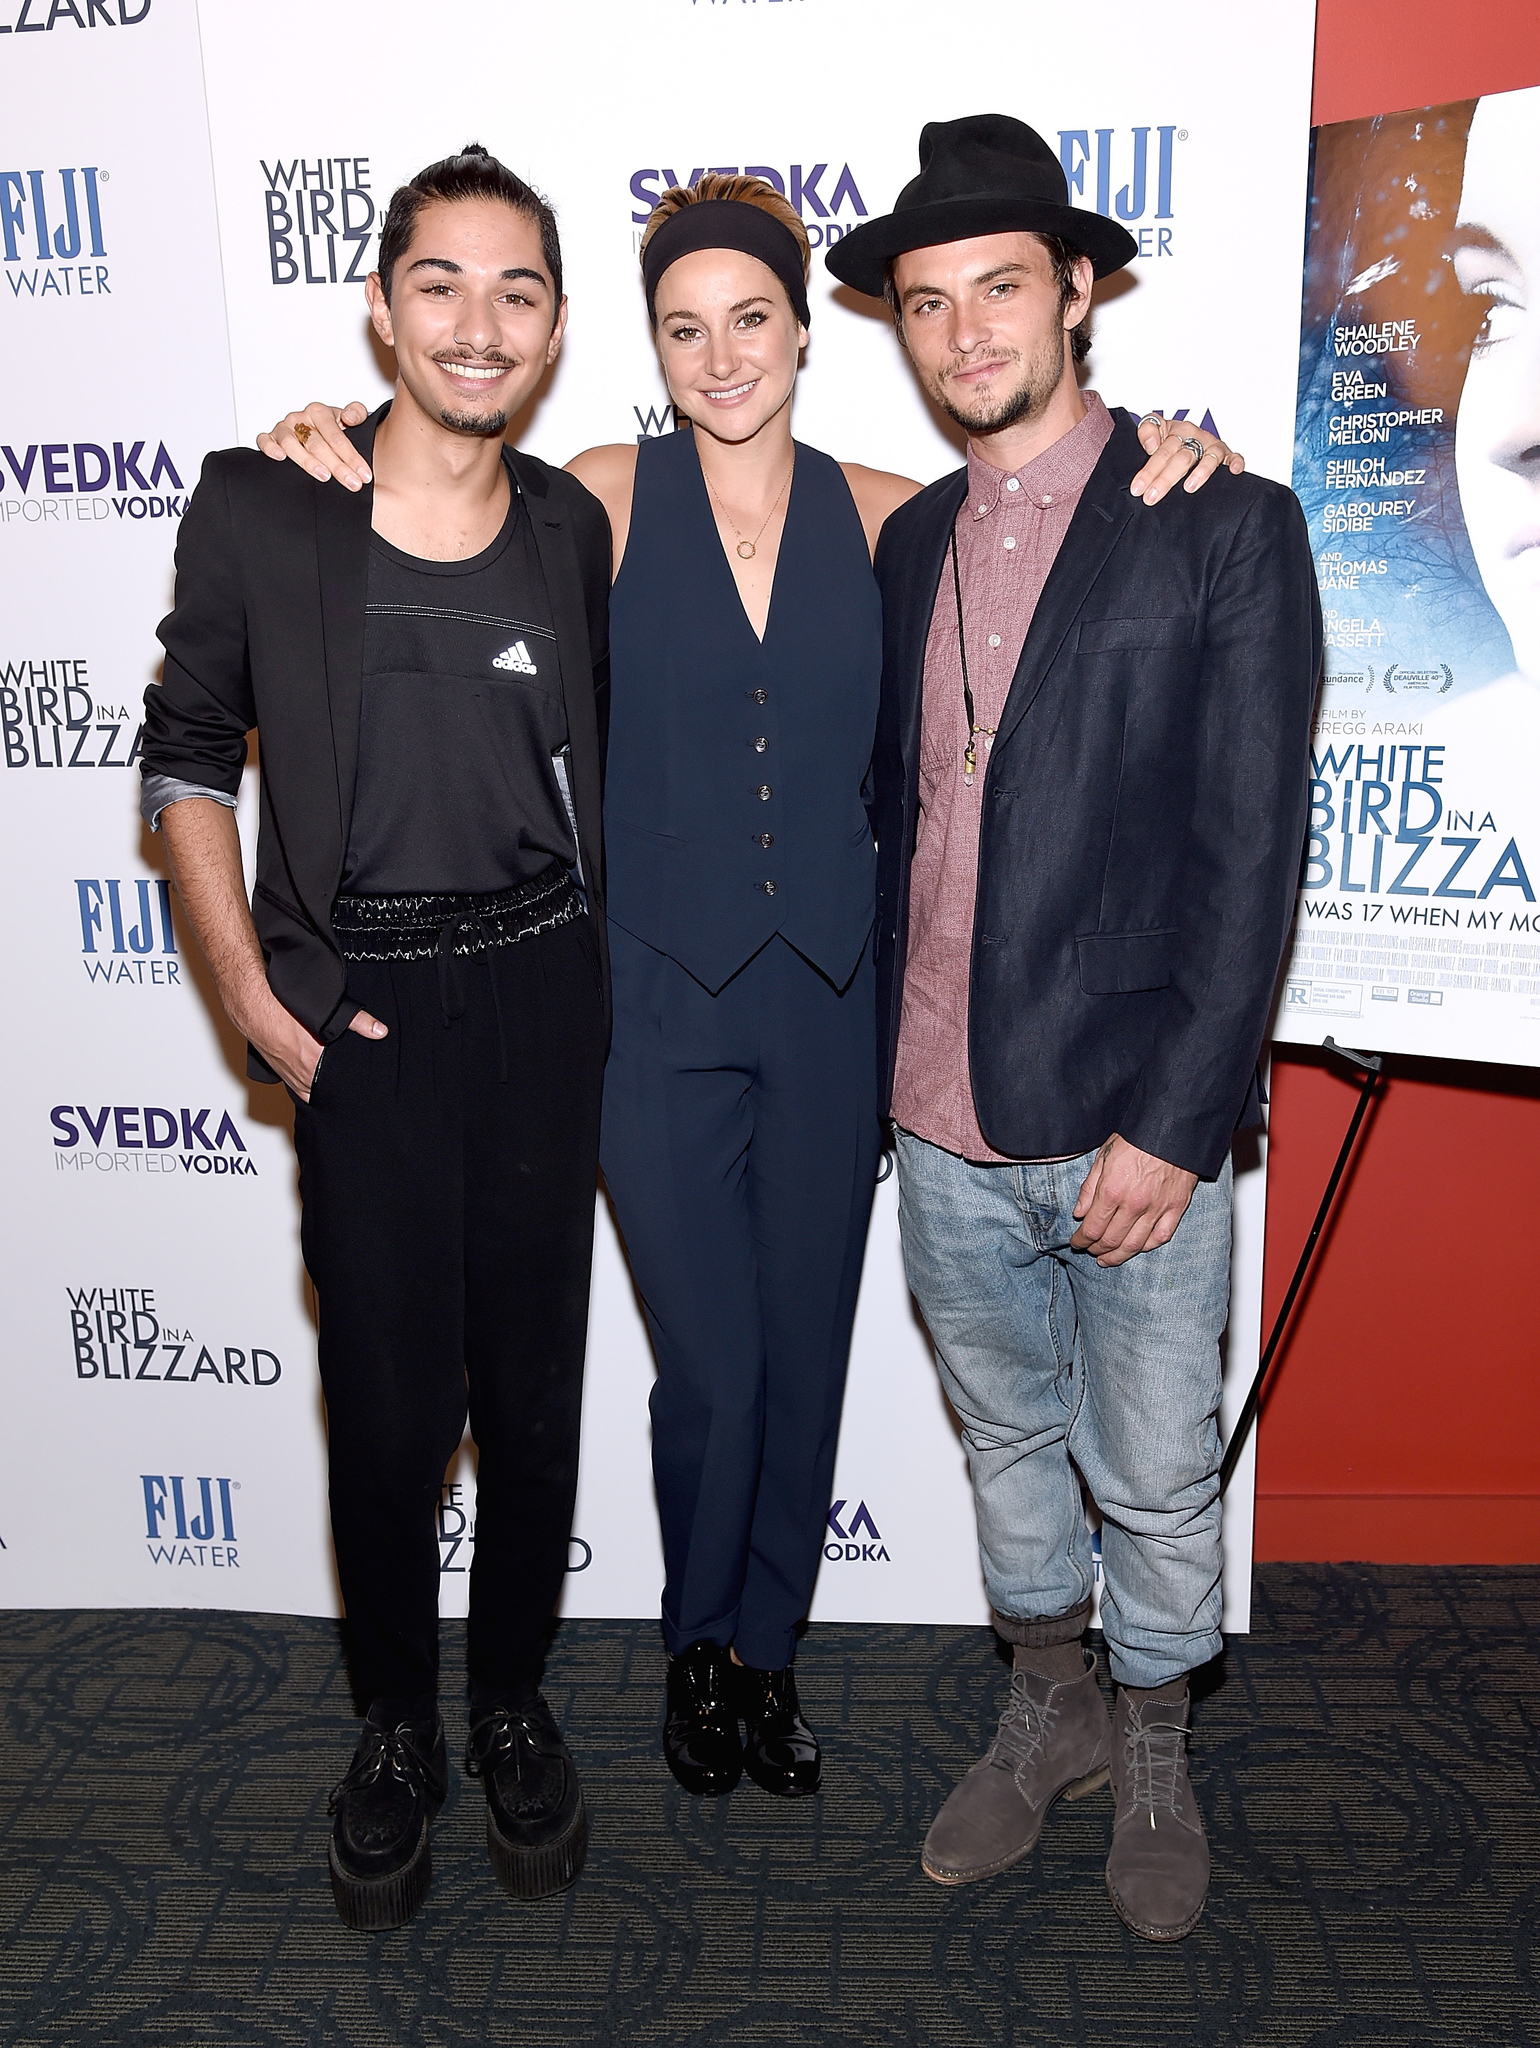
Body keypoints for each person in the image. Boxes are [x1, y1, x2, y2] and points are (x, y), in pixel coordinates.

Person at [258, 172, 1232, 1808]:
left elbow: (1049, 557)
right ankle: (692, 1641)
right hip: (647, 1009)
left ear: (804, 329)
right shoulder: (599, 499)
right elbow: (431, 520)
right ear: (646, 342)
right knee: (707, 1362)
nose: (722, 358)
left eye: (753, 320)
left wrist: (1171, 460)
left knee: (804, 1349)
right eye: (684, 327)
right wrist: (327, 447)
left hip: (835, 1012)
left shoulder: (887, 513)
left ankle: (763, 1657)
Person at [825, 114, 1319, 1940]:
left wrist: (1180, 1120)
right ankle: (1049, 1706)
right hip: (935, 1105)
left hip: (1129, 1118)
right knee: (1006, 1443)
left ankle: (1159, 1734)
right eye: (932, 302)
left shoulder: (1223, 524)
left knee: (1159, 1463)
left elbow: (1249, 852)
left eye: (1003, 290)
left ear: (1082, 290)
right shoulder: (910, 543)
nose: (965, 332)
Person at [139, 145, 611, 1929]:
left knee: (540, 1401)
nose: (476, 326)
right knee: (390, 1410)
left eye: (514, 293)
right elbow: (184, 756)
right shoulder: (268, 507)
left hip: (548, 996)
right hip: (371, 1018)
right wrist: (257, 999)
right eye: (441, 284)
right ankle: (398, 1728)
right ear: (382, 303)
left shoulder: (570, 525)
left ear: (555, 327)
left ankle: (509, 1707)